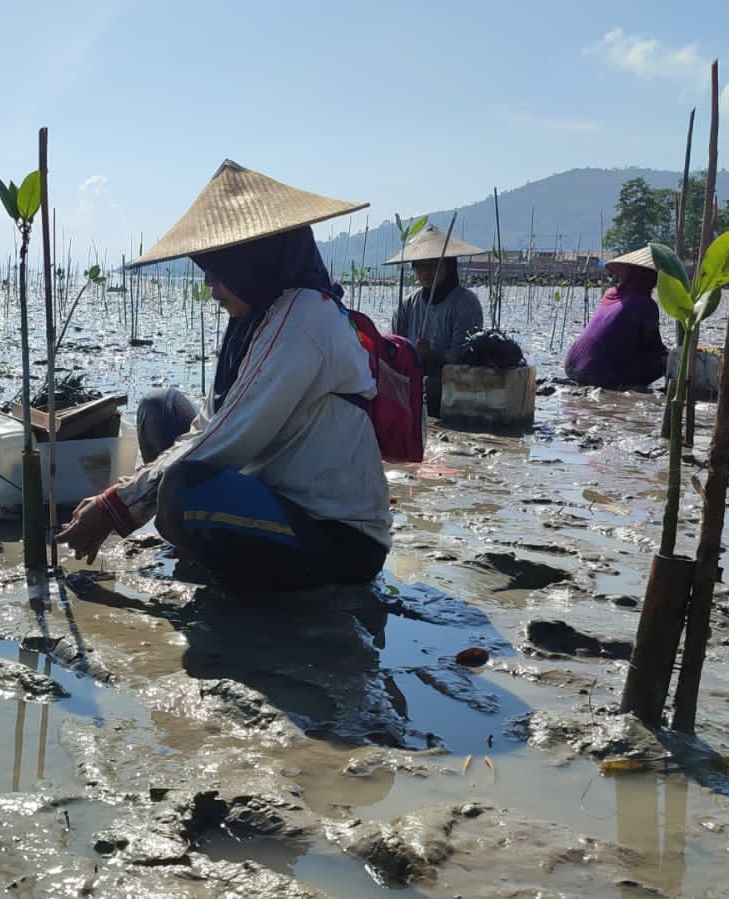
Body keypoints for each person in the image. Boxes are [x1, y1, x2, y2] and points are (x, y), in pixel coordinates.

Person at [55, 160, 392, 591]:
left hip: (337, 537)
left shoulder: (306, 316)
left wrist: (116, 507)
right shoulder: (254, 319)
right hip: (270, 498)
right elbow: (210, 422)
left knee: (183, 490)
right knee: (160, 409)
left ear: (253, 262)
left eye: (221, 269)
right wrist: (130, 488)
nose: (211, 285)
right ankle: (211, 541)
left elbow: (228, 439)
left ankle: (236, 572)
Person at [384, 225, 486, 415]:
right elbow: (393, 346)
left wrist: (431, 354)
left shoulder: (465, 303)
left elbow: (462, 355)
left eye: (433, 266)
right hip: (413, 379)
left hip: (449, 384)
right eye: (421, 267)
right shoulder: (407, 304)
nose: (426, 273)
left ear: (448, 267)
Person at [563, 247, 668, 389]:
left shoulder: (610, 294)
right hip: (597, 373)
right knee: (664, 361)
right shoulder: (646, 304)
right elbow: (654, 346)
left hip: (571, 366)